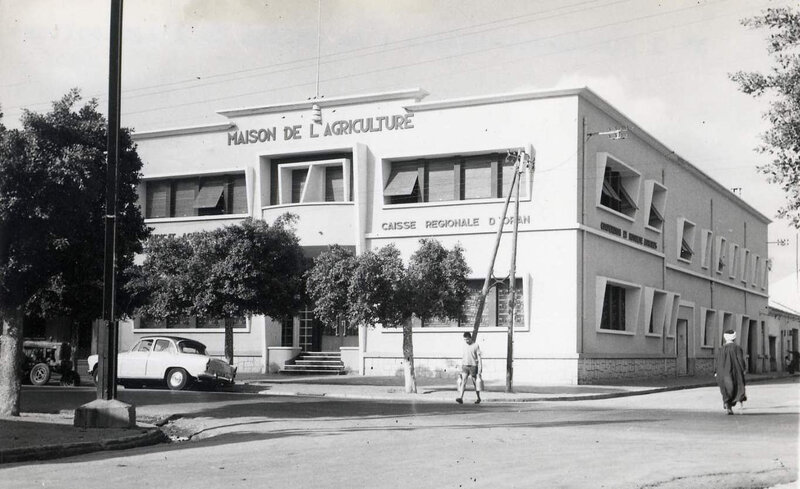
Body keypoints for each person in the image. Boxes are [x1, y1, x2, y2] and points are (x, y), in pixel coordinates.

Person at [715, 330, 747, 415]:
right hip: (734, 371)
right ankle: (736, 402)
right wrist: (743, 369)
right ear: (734, 337)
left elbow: (717, 361)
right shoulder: (737, 348)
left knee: (725, 388)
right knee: (737, 387)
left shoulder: (721, 349)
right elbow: (740, 360)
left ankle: (727, 405)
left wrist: (716, 372)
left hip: (722, 372)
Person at [457, 332, 482, 404]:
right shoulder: (464, 345)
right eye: (465, 339)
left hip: (473, 366)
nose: (466, 341)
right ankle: (460, 398)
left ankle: (478, 398)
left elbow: (479, 357)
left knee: (475, 383)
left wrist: (480, 368)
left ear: (470, 338)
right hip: (465, 366)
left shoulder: (476, 345)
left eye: (467, 339)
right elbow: (463, 356)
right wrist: (460, 365)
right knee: (463, 381)